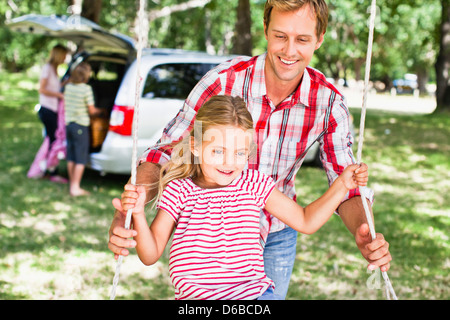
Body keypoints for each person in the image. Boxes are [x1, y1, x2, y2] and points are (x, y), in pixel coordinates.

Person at [109, 0, 392, 299]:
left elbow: (344, 183)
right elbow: (166, 150)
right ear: (266, 30)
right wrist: (130, 212)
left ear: (319, 39)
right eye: (280, 36)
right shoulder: (222, 82)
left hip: (277, 230)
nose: (289, 50)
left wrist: (365, 231)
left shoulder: (328, 102)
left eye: (303, 39)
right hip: (206, 245)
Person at [121, 95, 369, 300]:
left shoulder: (253, 184)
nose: (230, 163)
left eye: (240, 153)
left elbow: (305, 221)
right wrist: (139, 214)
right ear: (196, 146)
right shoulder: (179, 192)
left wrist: (341, 185)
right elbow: (150, 254)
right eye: (218, 151)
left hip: (253, 297)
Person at [32, 44, 69, 183]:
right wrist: (59, 95)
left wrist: (66, 82)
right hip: (47, 109)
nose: (65, 59)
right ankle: (51, 172)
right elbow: (41, 89)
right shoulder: (47, 68)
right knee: (53, 141)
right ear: (59, 55)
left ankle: (47, 169)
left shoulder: (54, 69)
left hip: (52, 109)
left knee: (52, 140)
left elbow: (53, 86)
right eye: (64, 56)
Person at [64, 62, 99, 196]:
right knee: (80, 158)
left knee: (71, 156)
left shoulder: (68, 87)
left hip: (69, 125)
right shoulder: (86, 89)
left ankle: (72, 184)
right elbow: (91, 110)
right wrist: (101, 111)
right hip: (81, 126)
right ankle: (75, 188)